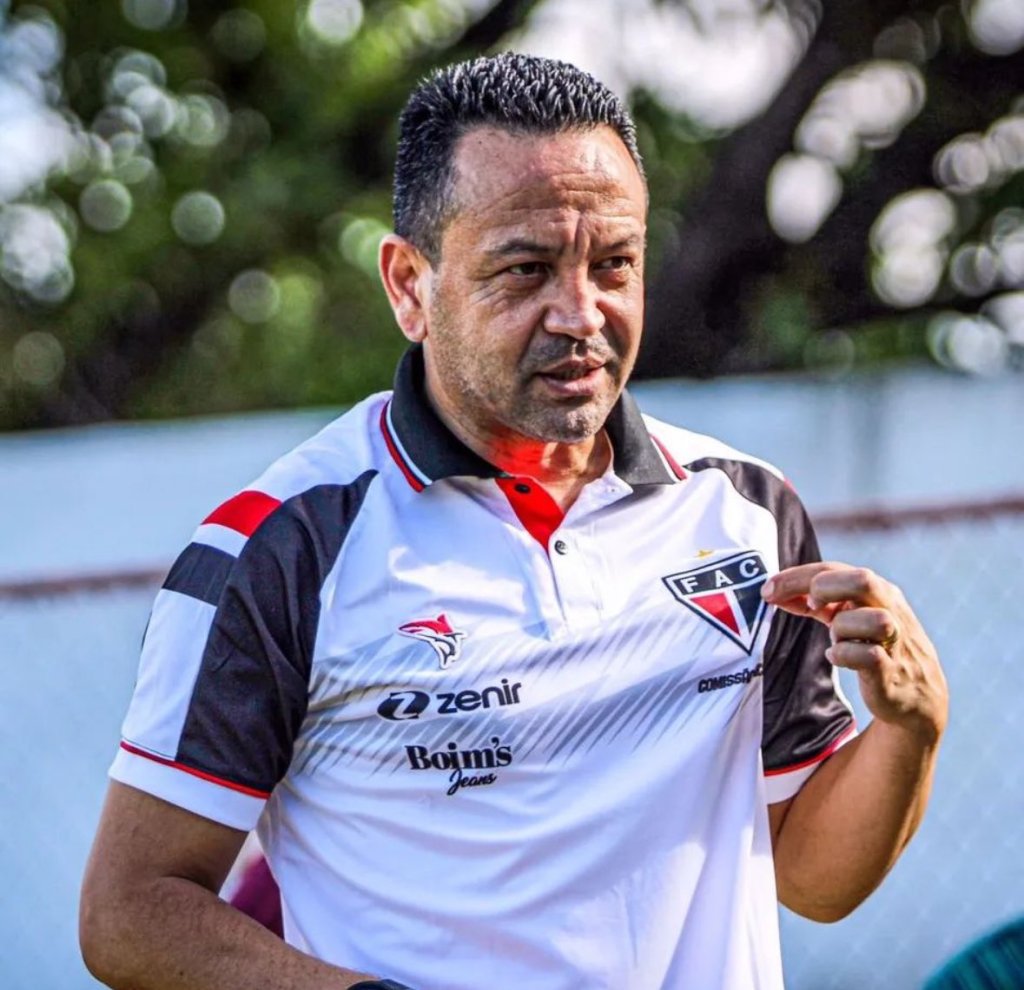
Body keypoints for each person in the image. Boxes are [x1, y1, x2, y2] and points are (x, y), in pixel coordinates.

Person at [79, 52, 949, 990]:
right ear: (409, 286)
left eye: (614, 264)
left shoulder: (745, 509)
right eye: (527, 269)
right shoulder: (281, 546)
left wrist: (913, 727)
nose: (580, 314)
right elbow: (131, 912)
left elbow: (813, 877)